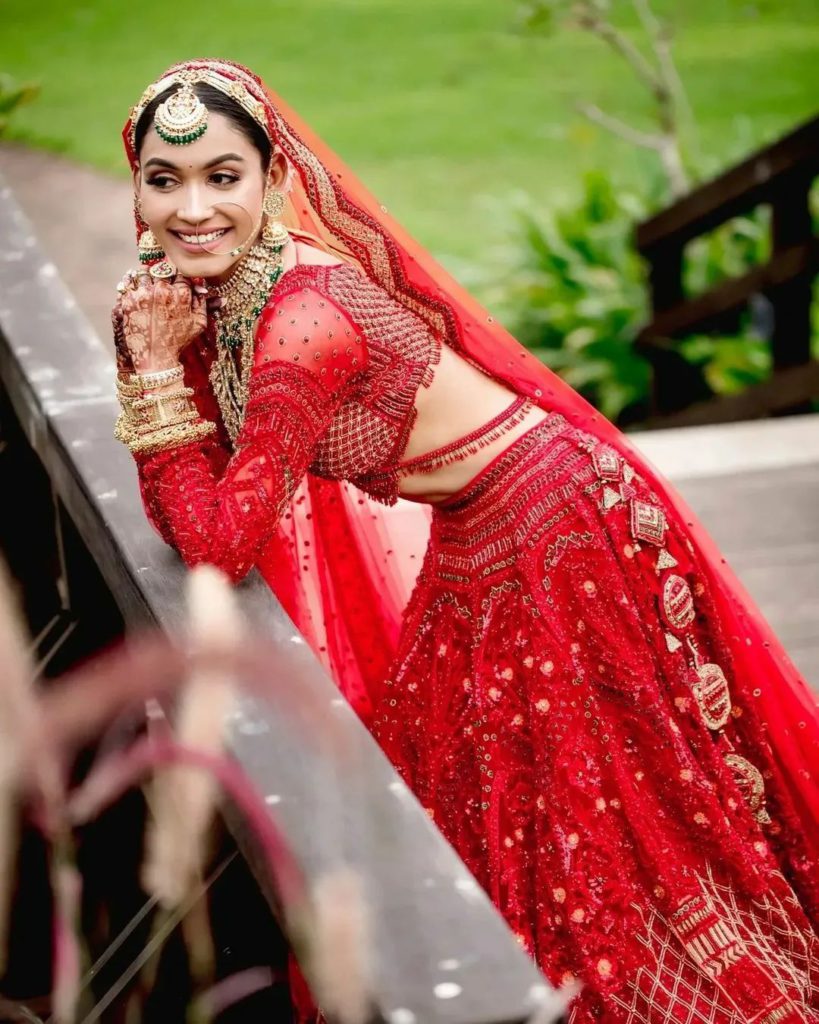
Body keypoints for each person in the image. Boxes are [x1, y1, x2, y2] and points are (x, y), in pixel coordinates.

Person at [113, 59, 819, 1023]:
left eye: (221, 177)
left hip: (557, 521)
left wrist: (151, 369)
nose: (192, 208)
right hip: (483, 521)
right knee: (449, 781)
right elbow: (196, 509)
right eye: (165, 179)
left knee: (602, 826)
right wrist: (154, 358)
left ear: (274, 181)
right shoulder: (228, 292)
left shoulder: (300, 320)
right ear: (138, 185)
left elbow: (218, 540)